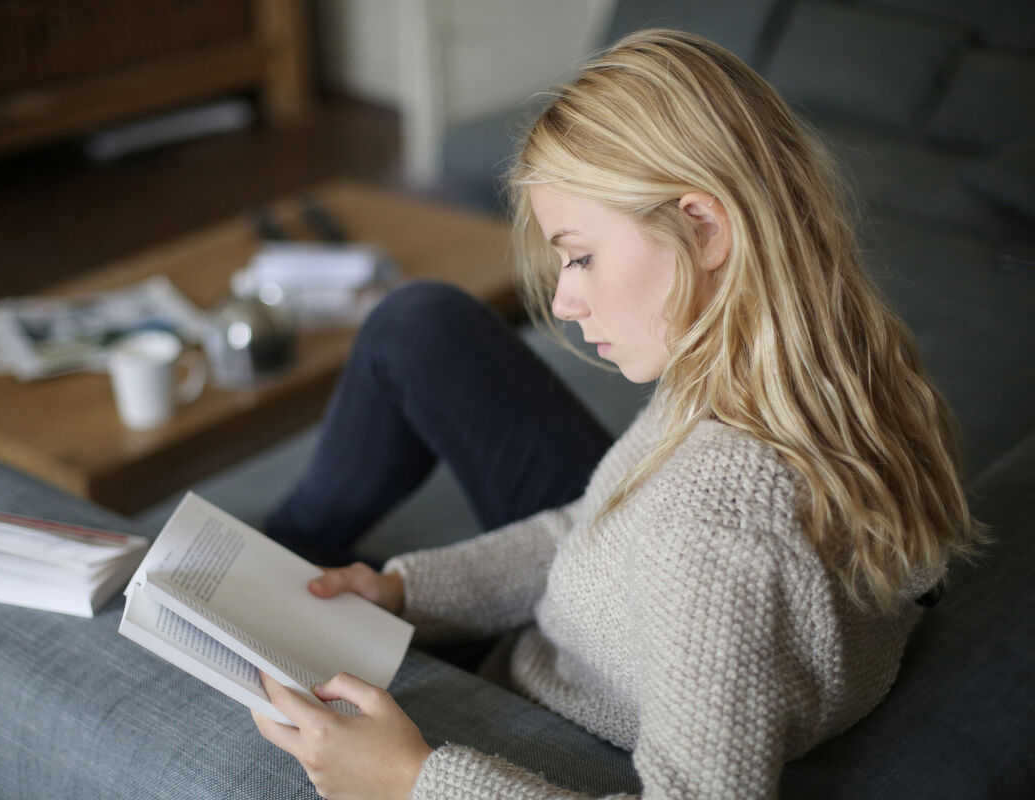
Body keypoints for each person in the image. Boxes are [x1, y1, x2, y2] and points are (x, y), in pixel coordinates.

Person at [250, 29, 985, 800]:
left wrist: (412, 780)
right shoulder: (788, 365)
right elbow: (588, 529)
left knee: (414, 332)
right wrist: (405, 591)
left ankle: (276, 550)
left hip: (557, 704)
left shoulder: (720, 534)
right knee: (420, 326)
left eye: (581, 255)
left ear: (704, 226)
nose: (564, 303)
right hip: (589, 631)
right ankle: (285, 554)